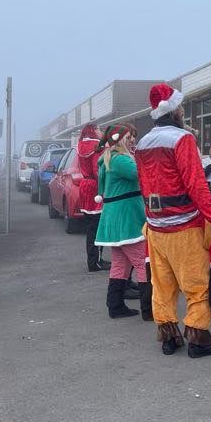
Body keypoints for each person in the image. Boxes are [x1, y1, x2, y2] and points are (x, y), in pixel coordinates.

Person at [135, 83, 211, 358]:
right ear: (175, 110)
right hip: (184, 227)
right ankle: (199, 339)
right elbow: (196, 184)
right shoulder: (182, 139)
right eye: (180, 107)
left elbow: (143, 184)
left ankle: (169, 337)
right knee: (197, 285)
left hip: (155, 228)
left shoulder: (143, 143)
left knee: (162, 286)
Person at [93, 124, 151, 319]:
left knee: (121, 264)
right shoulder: (120, 160)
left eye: (134, 136)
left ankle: (115, 306)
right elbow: (142, 175)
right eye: (129, 137)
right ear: (119, 140)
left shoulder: (110, 158)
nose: (133, 140)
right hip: (127, 220)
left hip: (115, 220)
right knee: (143, 263)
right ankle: (148, 310)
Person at [77, 123, 110, 272]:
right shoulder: (97, 145)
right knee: (98, 227)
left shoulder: (81, 145)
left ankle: (93, 260)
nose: (100, 131)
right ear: (93, 130)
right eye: (98, 129)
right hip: (95, 188)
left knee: (91, 228)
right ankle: (96, 261)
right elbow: (98, 169)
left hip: (85, 186)